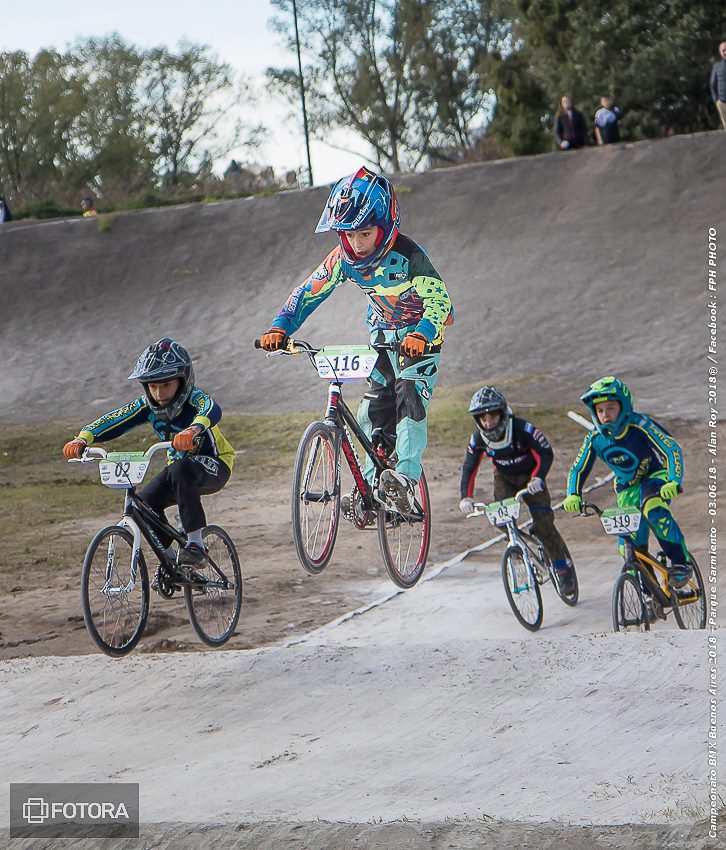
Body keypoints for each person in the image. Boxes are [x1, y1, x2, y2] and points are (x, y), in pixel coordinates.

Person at [258, 166, 453, 513]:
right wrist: (280, 327)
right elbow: (308, 292)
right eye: (348, 235)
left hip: (421, 335)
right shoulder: (343, 259)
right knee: (371, 407)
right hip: (381, 333)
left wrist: (423, 332)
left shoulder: (409, 255)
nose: (356, 244)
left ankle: (406, 480)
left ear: (385, 226)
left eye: (364, 233)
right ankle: (369, 485)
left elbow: (441, 301)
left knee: (409, 396)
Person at [62, 338, 235, 567]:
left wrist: (194, 429)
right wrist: (83, 438)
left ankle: (196, 545)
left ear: (183, 381)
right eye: (152, 386)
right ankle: (172, 562)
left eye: (166, 385)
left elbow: (212, 409)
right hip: (177, 472)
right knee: (143, 504)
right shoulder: (147, 406)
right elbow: (115, 419)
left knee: (180, 468)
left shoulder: (195, 399)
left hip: (215, 464)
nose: (159, 393)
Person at [563, 376, 693, 591]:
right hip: (626, 488)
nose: (605, 415)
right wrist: (572, 494)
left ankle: (681, 563)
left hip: (656, 476)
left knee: (653, 509)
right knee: (629, 545)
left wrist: (674, 480)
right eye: (600, 410)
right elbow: (578, 468)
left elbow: (672, 450)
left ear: (623, 407)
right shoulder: (595, 437)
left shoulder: (640, 424)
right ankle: (649, 593)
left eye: (611, 408)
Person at [459, 386, 576, 594]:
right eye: (483, 419)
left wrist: (538, 477)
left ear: (502, 413)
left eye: (492, 417)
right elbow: (469, 466)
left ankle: (562, 568)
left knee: (544, 524)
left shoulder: (523, 428)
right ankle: (517, 544)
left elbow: (545, 452)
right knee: (501, 520)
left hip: (531, 478)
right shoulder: (477, 438)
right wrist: (465, 497)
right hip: (504, 479)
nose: (488, 423)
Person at [710, 41, 726, 130]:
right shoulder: (717, 66)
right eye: (723, 50)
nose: (725, 52)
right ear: (720, 52)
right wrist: (716, 99)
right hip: (722, 102)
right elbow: (713, 83)